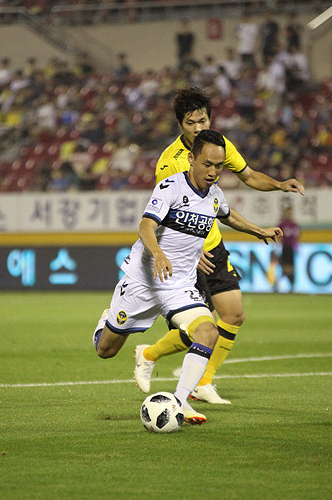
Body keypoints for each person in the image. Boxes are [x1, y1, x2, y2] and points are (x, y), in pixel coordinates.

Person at [93, 130, 283, 424]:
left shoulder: (215, 195)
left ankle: (179, 402)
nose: (213, 172)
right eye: (207, 164)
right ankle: (107, 320)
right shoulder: (170, 187)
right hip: (144, 281)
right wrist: (158, 254)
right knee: (106, 350)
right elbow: (145, 226)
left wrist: (259, 231)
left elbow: (228, 215)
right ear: (192, 159)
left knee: (208, 332)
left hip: (179, 285)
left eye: (218, 166)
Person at [133, 87, 305, 404]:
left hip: (214, 245)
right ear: (180, 125)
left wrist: (279, 185)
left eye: (202, 120)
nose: (198, 127)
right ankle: (150, 355)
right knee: (201, 327)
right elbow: (162, 214)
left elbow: (248, 176)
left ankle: (202, 381)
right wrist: (188, 249)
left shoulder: (219, 146)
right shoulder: (169, 163)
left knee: (234, 315)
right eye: (190, 123)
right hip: (188, 253)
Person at [274, 205, 300, 292]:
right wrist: (277, 246)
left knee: (290, 268)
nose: (289, 214)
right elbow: (276, 235)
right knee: (284, 267)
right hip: (284, 247)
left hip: (291, 248)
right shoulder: (282, 224)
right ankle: (283, 285)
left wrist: (297, 247)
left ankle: (286, 285)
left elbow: (297, 237)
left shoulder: (294, 225)